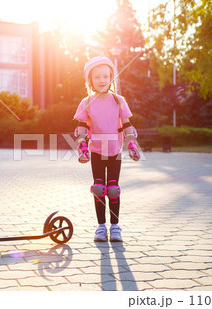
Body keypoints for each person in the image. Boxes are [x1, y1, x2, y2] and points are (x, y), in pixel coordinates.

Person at [73, 56, 138, 242]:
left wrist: (132, 144)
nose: (102, 80)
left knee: (113, 189)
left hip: (115, 151)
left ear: (111, 78)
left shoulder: (118, 101)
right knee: (99, 188)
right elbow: (82, 127)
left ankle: (115, 226)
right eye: (97, 77)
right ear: (90, 81)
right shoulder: (86, 102)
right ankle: (101, 227)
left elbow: (127, 125)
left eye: (106, 76)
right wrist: (82, 145)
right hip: (96, 150)